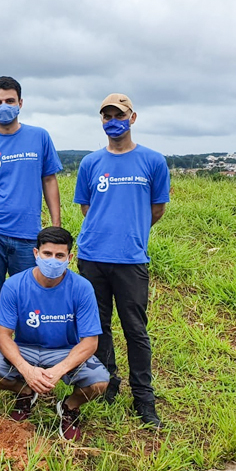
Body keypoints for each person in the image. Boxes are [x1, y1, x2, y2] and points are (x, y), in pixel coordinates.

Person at [73, 93, 170, 428]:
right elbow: (87, 209)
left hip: (130, 259)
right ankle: (108, 382)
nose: (112, 121)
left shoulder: (153, 161)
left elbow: (156, 209)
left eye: (119, 115)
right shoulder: (90, 163)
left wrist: (132, 231)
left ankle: (144, 398)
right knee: (97, 328)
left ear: (133, 117)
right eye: (106, 116)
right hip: (91, 258)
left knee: (135, 330)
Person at [0, 227, 109, 441]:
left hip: (64, 350)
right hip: (26, 348)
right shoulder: (14, 285)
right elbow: (2, 336)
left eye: (60, 256)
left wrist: (58, 370)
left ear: (70, 257)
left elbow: (90, 342)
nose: (53, 260)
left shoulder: (82, 288)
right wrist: (26, 370)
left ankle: (69, 407)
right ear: (35, 254)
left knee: (100, 382)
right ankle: (26, 393)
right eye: (47, 254)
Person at [0, 76, 63, 353]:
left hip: (27, 235)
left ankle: (27, 353)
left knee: (29, 297)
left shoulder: (39, 137)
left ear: (20, 103)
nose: (4, 106)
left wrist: (55, 227)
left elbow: (49, 180)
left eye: (9, 101)